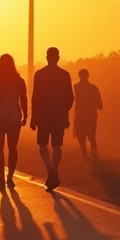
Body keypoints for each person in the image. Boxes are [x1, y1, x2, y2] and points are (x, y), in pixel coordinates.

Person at [31, 47, 74, 193]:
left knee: (42, 144)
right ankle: (55, 169)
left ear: (47, 57)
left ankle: (50, 168)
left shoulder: (40, 74)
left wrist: (33, 116)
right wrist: (63, 111)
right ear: (58, 58)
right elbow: (70, 98)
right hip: (58, 116)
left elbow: (35, 97)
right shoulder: (65, 75)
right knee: (57, 145)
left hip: (43, 116)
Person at [0, 54, 27, 190]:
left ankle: (1, 178)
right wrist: (25, 115)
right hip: (14, 116)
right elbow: (24, 99)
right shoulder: (19, 80)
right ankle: (10, 177)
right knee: (13, 148)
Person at [73, 69, 103, 160]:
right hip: (91, 116)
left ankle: (84, 155)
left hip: (80, 116)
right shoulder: (93, 88)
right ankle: (94, 154)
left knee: (81, 137)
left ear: (79, 76)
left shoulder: (75, 87)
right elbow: (100, 105)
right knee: (92, 136)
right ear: (88, 76)